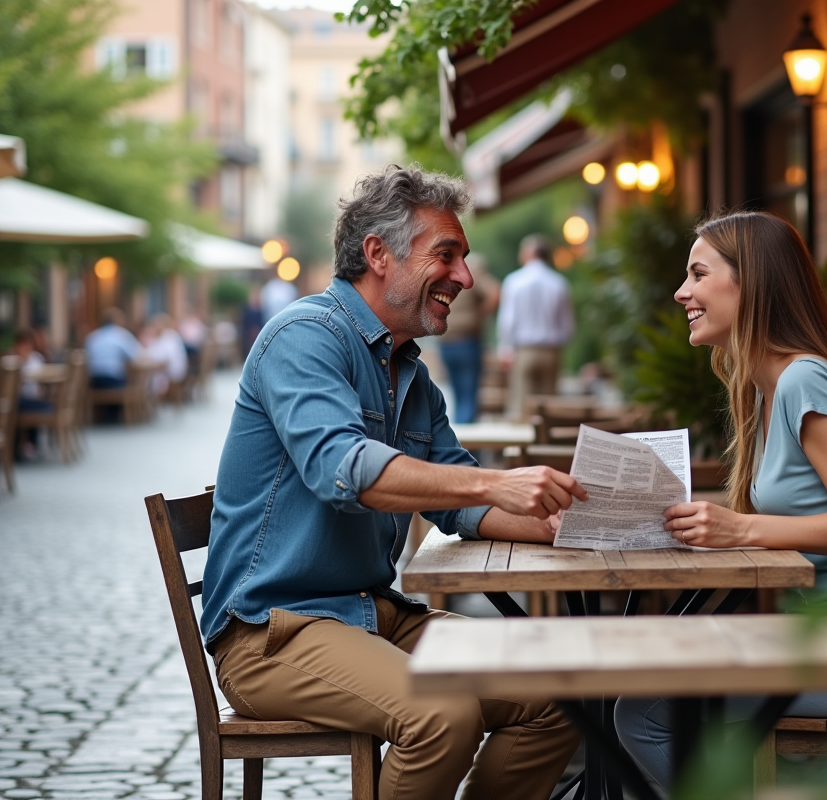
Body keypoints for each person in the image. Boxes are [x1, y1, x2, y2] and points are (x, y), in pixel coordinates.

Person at [202, 166, 587, 800]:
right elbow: (345, 471)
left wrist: (570, 524)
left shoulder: (407, 371)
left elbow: (459, 497)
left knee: (560, 690)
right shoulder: (304, 338)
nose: (464, 277)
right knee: (442, 714)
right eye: (447, 255)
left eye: (463, 258)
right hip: (271, 634)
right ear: (379, 255)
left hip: (372, 616)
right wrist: (495, 486)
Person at [613, 211, 827, 794]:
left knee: (642, 710)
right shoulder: (768, 388)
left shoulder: (802, 380)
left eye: (697, 273)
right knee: (642, 687)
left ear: (750, 283)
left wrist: (738, 530)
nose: (681, 291)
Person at [496, 234, 574, 419]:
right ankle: (543, 444)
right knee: (548, 410)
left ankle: (523, 445)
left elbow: (508, 320)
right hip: (551, 351)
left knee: (521, 408)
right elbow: (568, 326)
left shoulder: (514, 281)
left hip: (525, 351)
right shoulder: (559, 283)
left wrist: (505, 348)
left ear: (530, 253)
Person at [438, 252, 499, 423]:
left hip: (446, 340)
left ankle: (461, 440)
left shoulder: (444, 272)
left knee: (457, 396)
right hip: (467, 341)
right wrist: (480, 315)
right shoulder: (473, 270)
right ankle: (468, 445)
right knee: (468, 396)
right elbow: (495, 293)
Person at [12, 331, 53, 460]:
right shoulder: (12, 361)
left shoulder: (36, 359)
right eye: (22, 345)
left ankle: (30, 444)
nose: (25, 348)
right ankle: (19, 447)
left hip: (29, 398)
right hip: (16, 399)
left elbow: (38, 380)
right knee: (16, 406)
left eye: (28, 345)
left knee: (30, 404)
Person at [84, 307, 141, 389]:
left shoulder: (92, 336)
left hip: (93, 381)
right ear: (117, 321)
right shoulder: (121, 335)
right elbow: (136, 355)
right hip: (114, 380)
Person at [141, 314, 189, 397]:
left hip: (173, 371)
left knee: (150, 375)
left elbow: (161, 356)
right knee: (150, 374)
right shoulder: (168, 335)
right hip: (172, 368)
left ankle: (151, 397)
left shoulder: (168, 336)